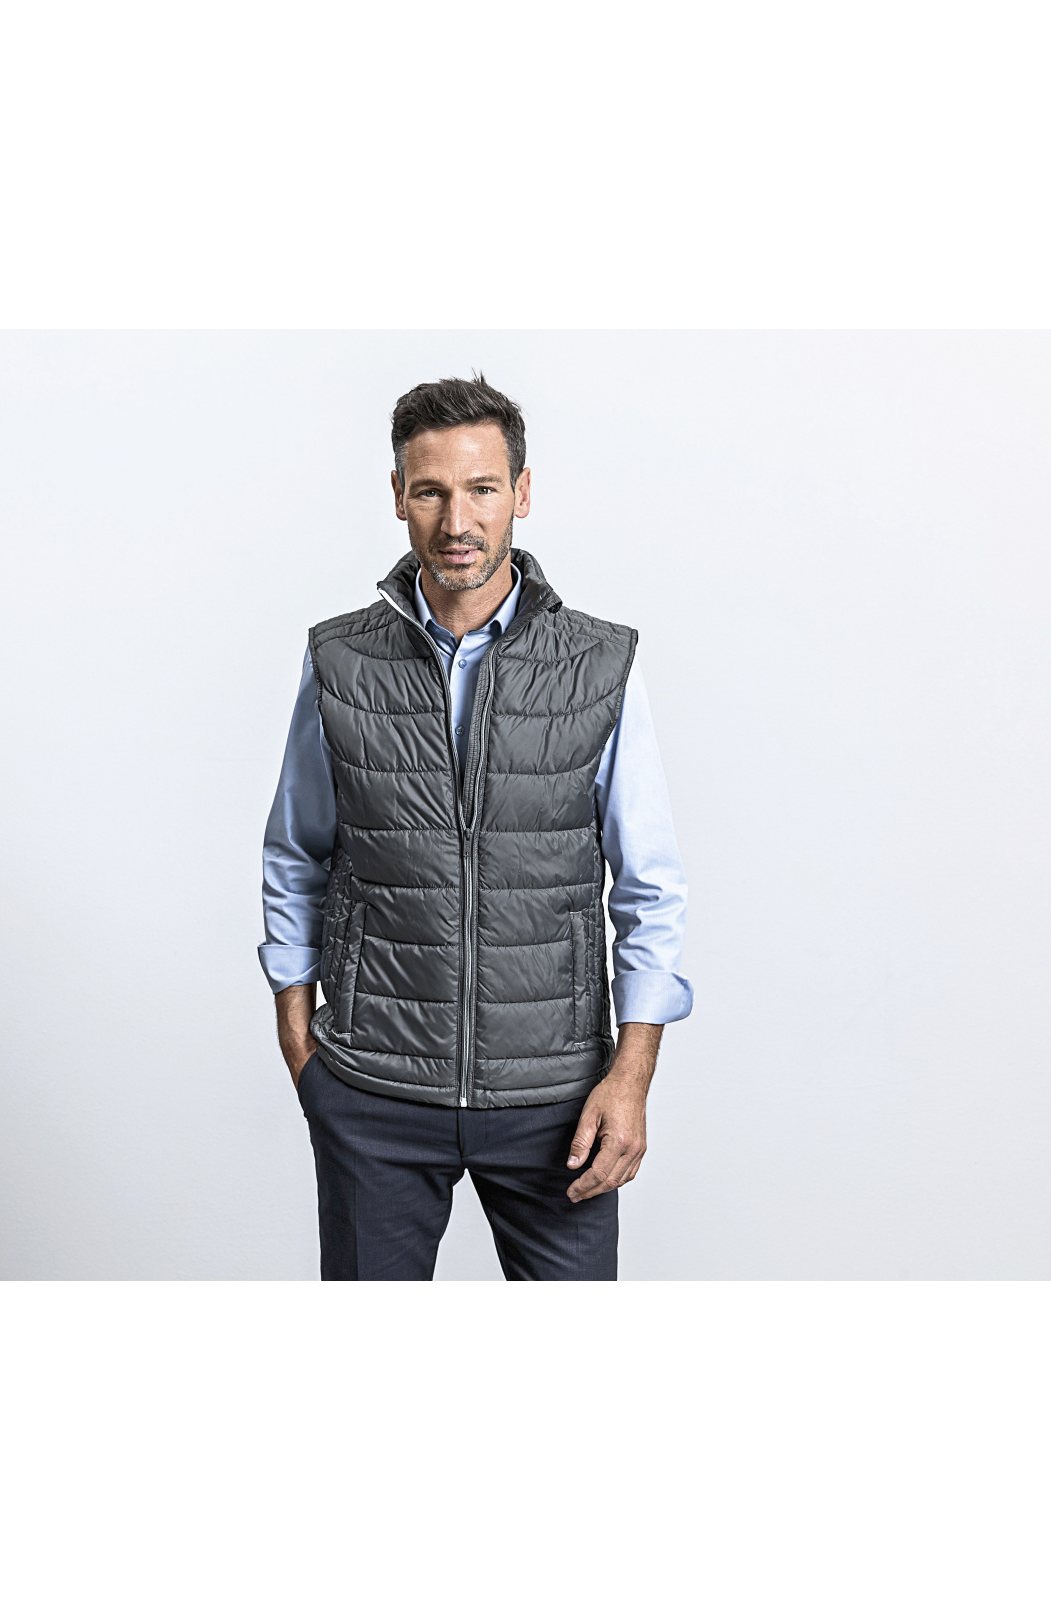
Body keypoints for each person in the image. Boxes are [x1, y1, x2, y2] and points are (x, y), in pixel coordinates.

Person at [259, 374, 692, 1280]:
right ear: (398, 496)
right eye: (431, 491)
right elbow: (296, 855)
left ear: (521, 493)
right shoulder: (339, 660)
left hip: (557, 1101)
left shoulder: (599, 664)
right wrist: (301, 1044)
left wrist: (631, 1075)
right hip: (374, 1091)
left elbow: (649, 886)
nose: (458, 521)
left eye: (482, 488)